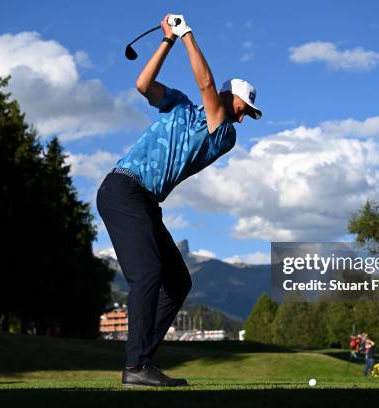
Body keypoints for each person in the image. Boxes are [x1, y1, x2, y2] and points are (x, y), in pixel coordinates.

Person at [96, 13, 262, 388]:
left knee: (177, 280)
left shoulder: (224, 134)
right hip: (122, 189)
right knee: (150, 274)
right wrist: (167, 40)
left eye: (247, 113)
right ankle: (136, 365)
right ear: (230, 95)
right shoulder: (180, 105)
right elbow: (143, 84)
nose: (244, 116)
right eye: (243, 107)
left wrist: (187, 34)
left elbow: (205, 84)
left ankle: (142, 362)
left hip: (144, 200)